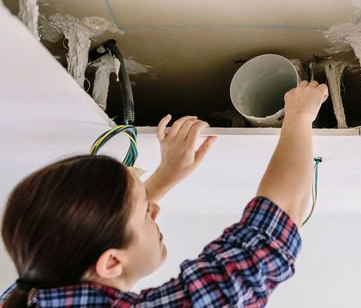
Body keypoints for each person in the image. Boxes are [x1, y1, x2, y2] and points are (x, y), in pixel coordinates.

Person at [0, 80, 329, 307]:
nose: (155, 210)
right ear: (111, 261)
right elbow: (264, 244)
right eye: (145, 211)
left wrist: (163, 178)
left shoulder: (30, 290)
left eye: (147, 205)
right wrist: (300, 115)